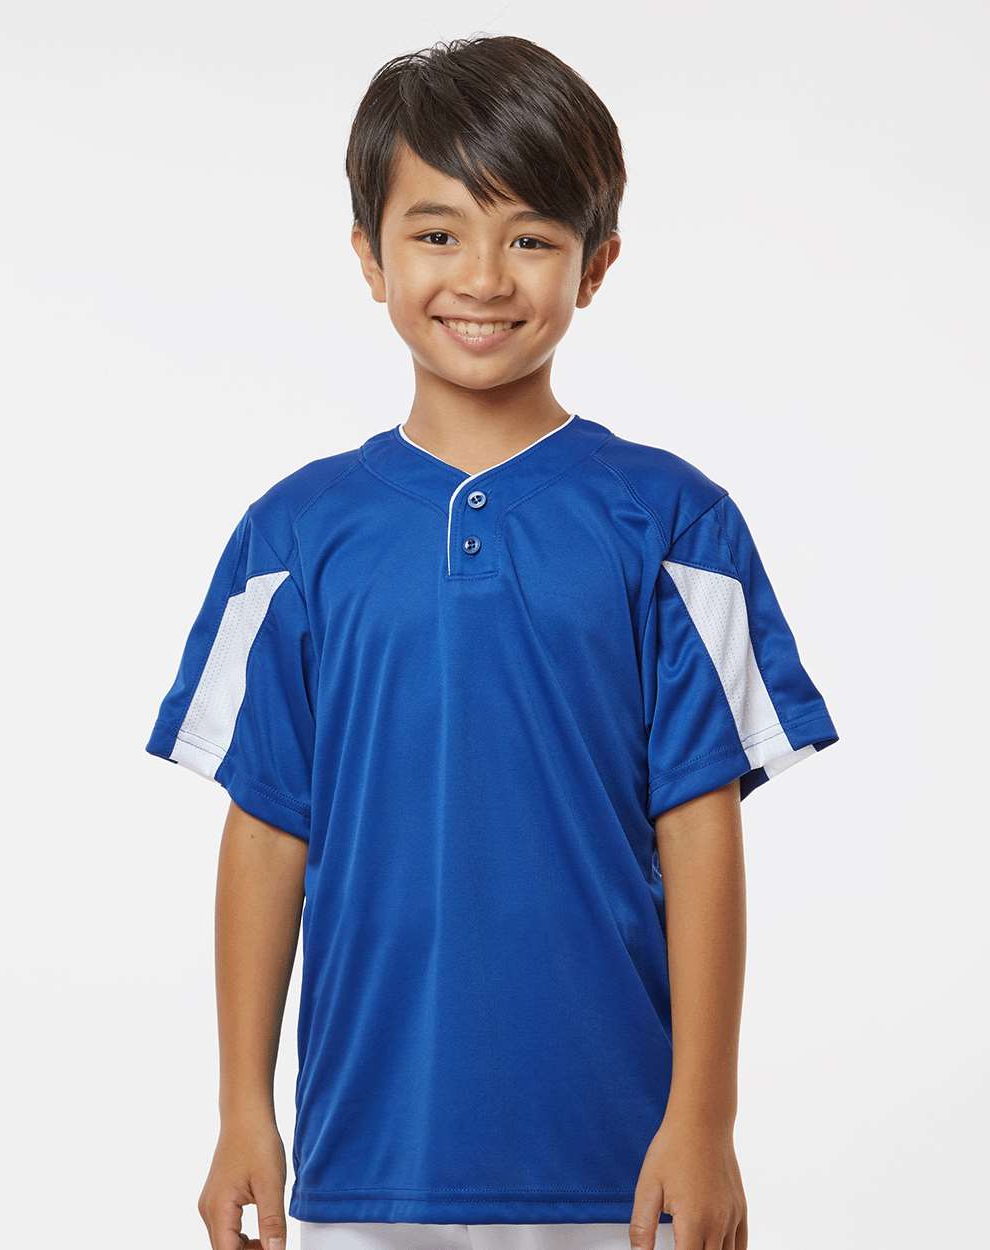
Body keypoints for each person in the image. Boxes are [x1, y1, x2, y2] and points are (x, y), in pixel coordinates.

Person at [145, 34, 840, 1250]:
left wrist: (704, 1117)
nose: (481, 276)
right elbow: (266, 827)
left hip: (618, 1167)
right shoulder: (292, 535)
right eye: (436, 232)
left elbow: (700, 827)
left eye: (529, 238)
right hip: (366, 1161)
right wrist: (241, 1106)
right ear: (368, 255)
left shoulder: (675, 522)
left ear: (596, 263)